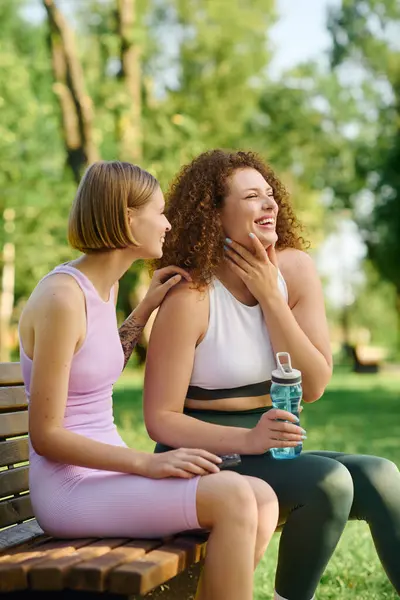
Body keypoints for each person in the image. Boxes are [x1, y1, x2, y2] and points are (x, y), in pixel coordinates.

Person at [143, 149, 400, 600]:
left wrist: (271, 299)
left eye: (270, 194)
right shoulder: (192, 295)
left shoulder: (295, 270)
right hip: (203, 457)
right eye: (251, 196)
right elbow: (160, 419)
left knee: (381, 476)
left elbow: (314, 385)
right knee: (328, 482)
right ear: (214, 213)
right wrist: (248, 441)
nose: (269, 205)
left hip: (273, 452)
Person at [18, 160, 281, 600]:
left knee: (262, 497)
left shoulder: (103, 287)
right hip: (69, 489)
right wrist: (149, 463)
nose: (168, 223)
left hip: (102, 473)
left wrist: (142, 312)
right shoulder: (63, 297)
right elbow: (45, 435)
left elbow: (93, 370)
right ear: (126, 217)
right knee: (235, 497)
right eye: (158, 212)